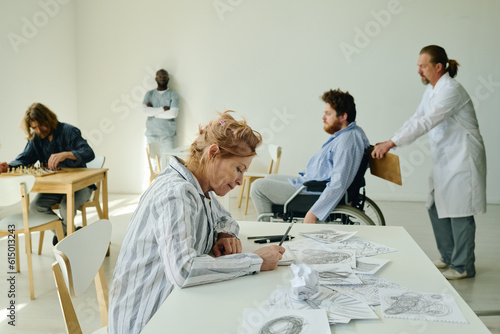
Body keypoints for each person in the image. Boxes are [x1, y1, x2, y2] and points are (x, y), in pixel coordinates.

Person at [108, 111, 285, 334]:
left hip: (172, 306)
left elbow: (225, 219)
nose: (240, 181)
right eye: (238, 169)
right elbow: (184, 270)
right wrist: (255, 260)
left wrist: (225, 234)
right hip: (146, 320)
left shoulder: (199, 188)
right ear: (213, 153)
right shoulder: (176, 194)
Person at [371, 45, 487, 280]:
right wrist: (389, 140)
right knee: (435, 204)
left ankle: (464, 265)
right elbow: (416, 118)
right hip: (446, 157)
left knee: (460, 211)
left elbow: (426, 123)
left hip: (462, 157)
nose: (419, 71)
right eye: (418, 66)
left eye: (422, 66)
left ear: (438, 66)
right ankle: (448, 256)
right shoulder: (432, 90)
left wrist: (391, 144)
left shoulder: (451, 90)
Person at [250, 89, 370, 224]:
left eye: (328, 114)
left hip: (314, 193)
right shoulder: (348, 133)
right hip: (311, 184)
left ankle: (268, 229)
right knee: (269, 178)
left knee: (258, 187)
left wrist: (314, 212)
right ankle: (274, 219)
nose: (323, 117)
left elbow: (339, 183)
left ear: (343, 117)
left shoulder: (347, 141)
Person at [0, 103, 95, 244]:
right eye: (34, 128)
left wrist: (67, 154)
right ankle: (69, 236)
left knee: (65, 208)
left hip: (80, 186)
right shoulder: (36, 138)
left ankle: (65, 239)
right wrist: (8, 166)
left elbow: (89, 152)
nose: (38, 130)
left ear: (49, 119)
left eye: (41, 125)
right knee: (35, 207)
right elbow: (25, 158)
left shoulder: (69, 131)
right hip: (56, 187)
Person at [142, 69, 180, 169]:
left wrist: (153, 112)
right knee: (154, 166)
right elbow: (144, 111)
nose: (162, 78)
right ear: (156, 78)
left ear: (168, 78)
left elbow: (173, 113)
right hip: (152, 135)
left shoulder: (173, 94)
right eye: (160, 76)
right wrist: (163, 109)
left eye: (164, 76)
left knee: (167, 164)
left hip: (167, 136)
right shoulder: (149, 94)